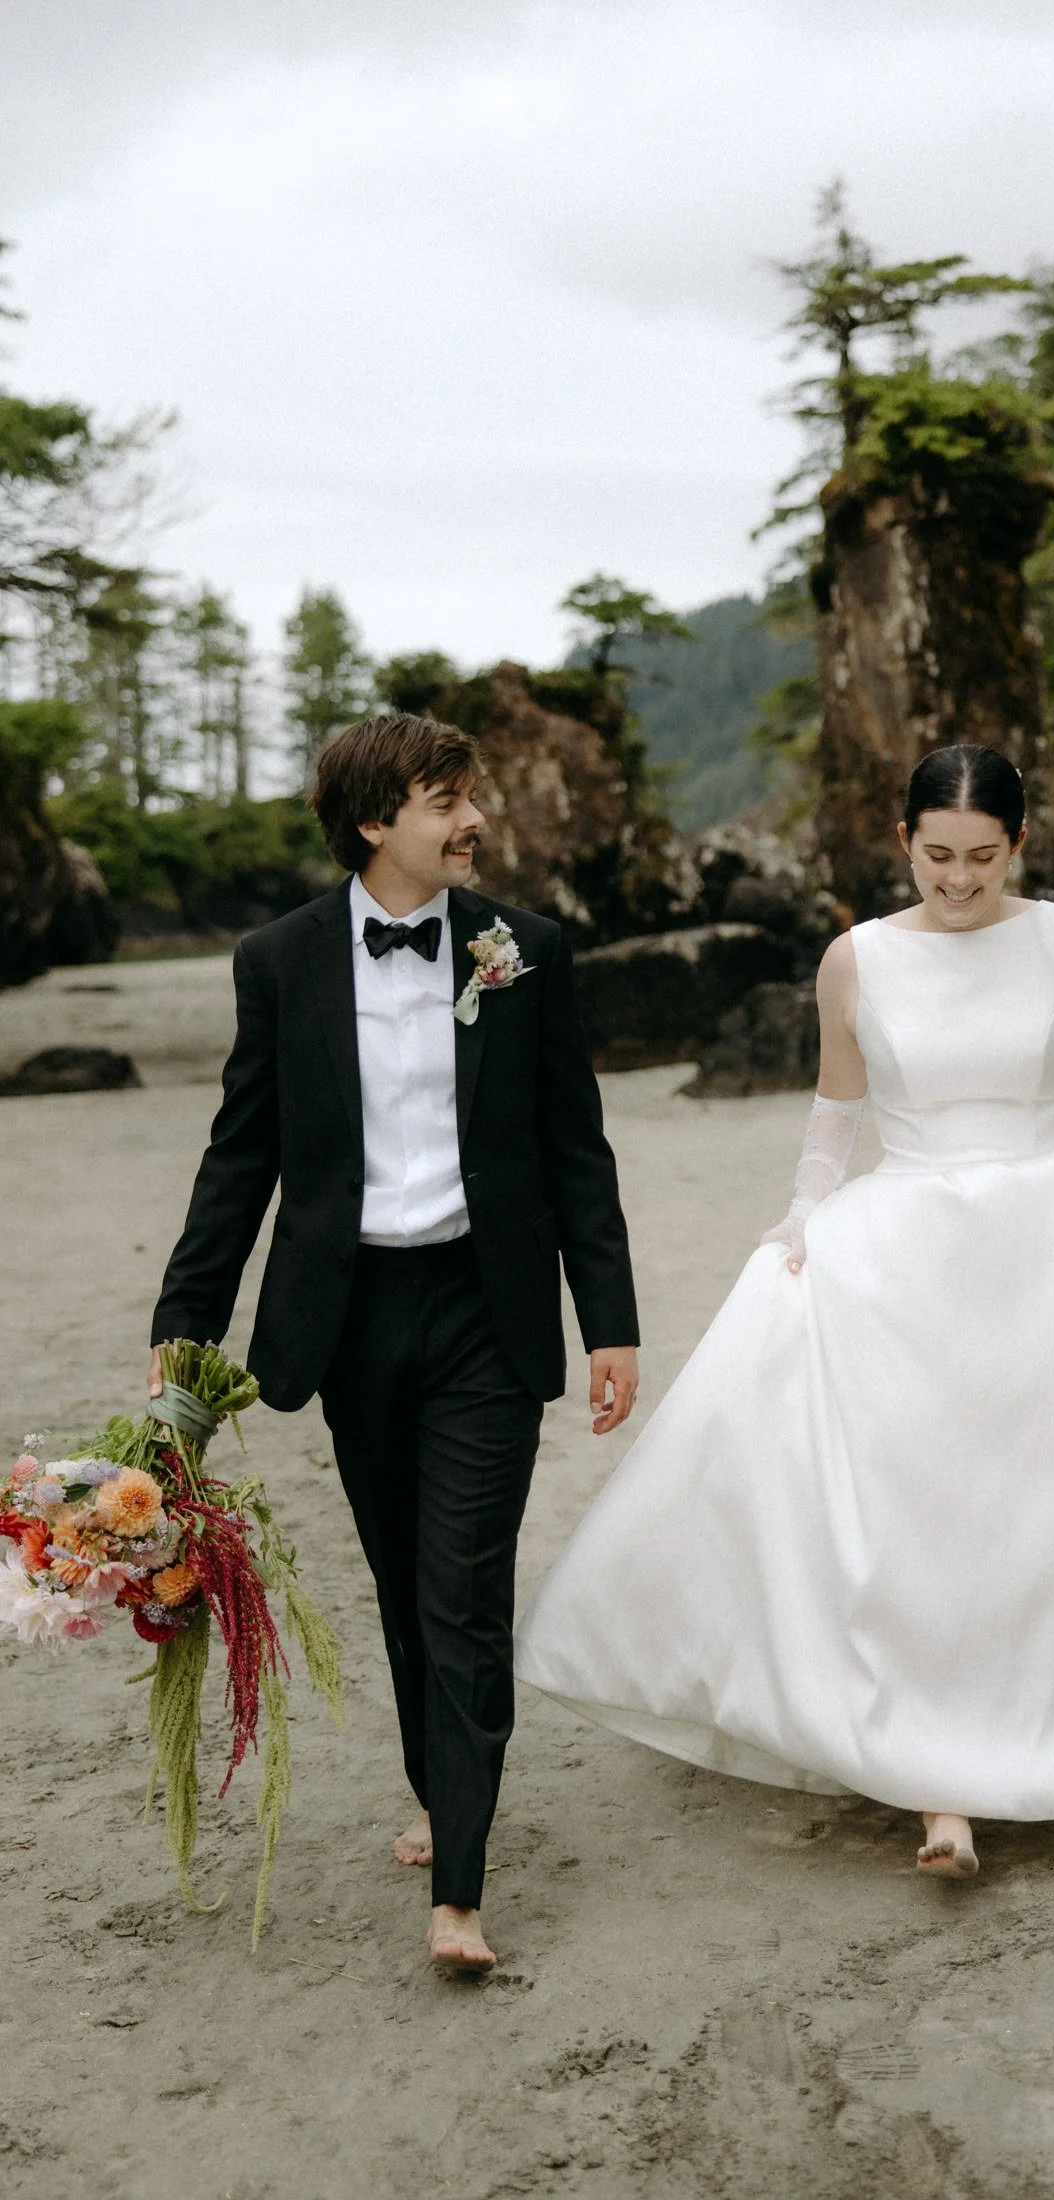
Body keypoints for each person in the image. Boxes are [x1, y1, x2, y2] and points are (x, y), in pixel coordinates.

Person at [515, 743, 1054, 1879]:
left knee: (1051, 1499)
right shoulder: (855, 958)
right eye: (937, 854)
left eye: (983, 856)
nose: (957, 880)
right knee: (914, 1508)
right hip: (904, 1240)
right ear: (903, 837)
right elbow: (835, 1113)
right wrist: (799, 1219)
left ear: (1019, 845)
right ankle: (937, 1787)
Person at [148, 712, 639, 1968]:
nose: (472, 818)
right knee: (404, 1593)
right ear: (376, 821)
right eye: (445, 798)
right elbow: (243, 1151)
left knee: (463, 1586)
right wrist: (185, 1317)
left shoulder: (523, 949)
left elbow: (575, 1147)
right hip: (352, 1317)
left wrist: (611, 1325)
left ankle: (460, 1895)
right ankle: (441, 1785)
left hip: (489, 1309)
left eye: (470, 794)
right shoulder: (280, 961)